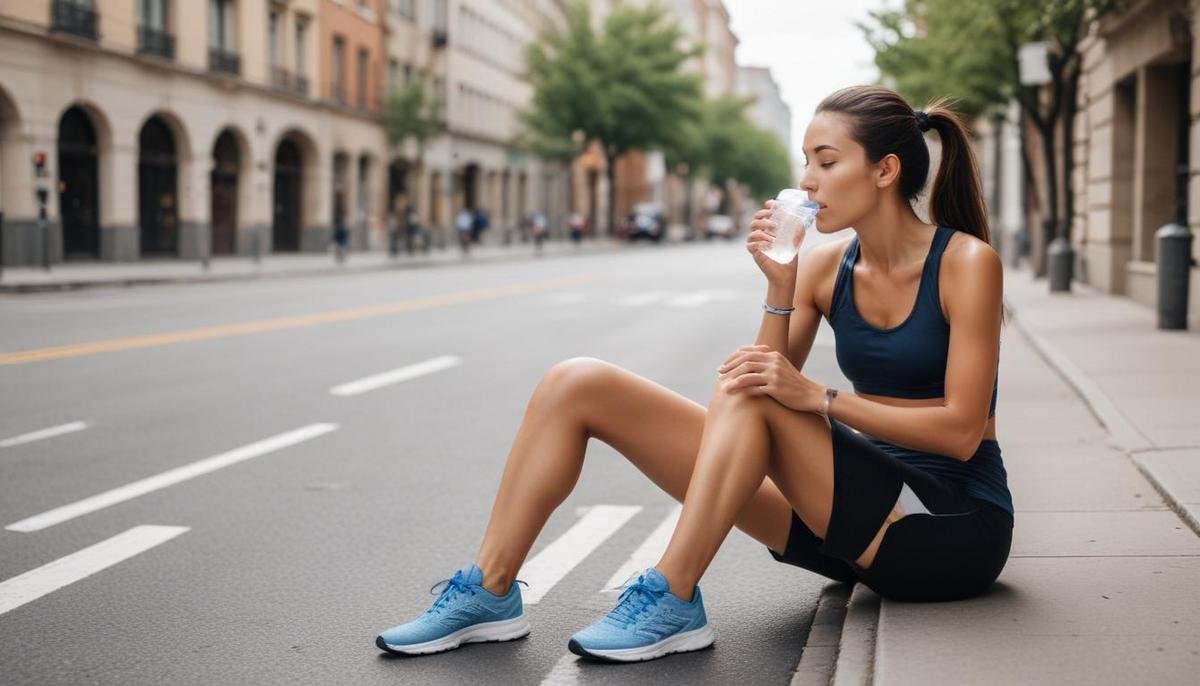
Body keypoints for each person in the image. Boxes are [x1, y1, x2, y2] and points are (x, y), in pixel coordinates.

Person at [375, 85, 1013, 662]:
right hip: (848, 521)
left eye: (826, 161)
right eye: (806, 162)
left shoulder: (966, 264)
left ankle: (673, 592)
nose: (806, 181)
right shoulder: (826, 268)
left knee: (756, 386)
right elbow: (765, 383)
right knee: (577, 382)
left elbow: (961, 433)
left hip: (944, 528)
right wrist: (780, 287)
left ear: (885, 170)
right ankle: (489, 590)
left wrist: (820, 398)